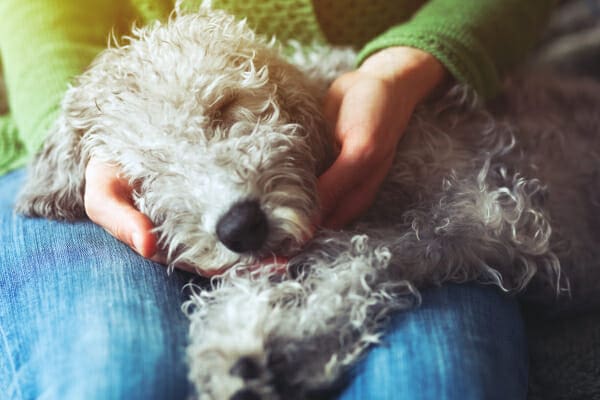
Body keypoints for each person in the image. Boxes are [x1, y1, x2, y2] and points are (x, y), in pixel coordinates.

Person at [0, 0, 554, 399]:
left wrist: (404, 65)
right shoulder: (92, 148)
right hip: (101, 158)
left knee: (436, 381)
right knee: (124, 380)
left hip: (400, 101)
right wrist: (81, 137)